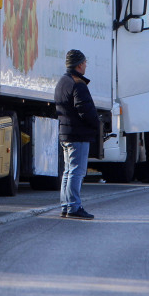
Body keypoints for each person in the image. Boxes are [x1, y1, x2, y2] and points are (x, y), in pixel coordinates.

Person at [54, 49, 102, 219]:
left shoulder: (62, 82)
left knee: (68, 171)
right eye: (85, 63)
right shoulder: (78, 84)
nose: (86, 65)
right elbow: (85, 110)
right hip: (78, 134)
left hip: (65, 133)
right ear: (80, 64)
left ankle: (66, 205)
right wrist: (97, 124)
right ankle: (74, 207)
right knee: (77, 171)